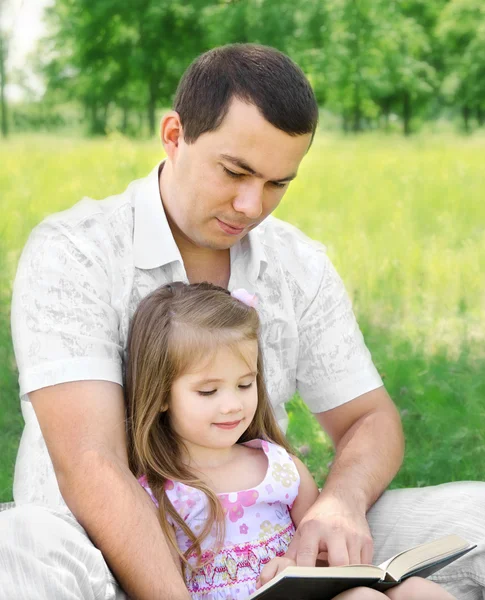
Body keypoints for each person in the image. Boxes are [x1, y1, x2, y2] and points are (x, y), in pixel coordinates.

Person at [0, 43, 483, 600]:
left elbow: (369, 419)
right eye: (235, 171)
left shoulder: (298, 263)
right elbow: (92, 463)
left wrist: (339, 504)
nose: (253, 206)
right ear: (175, 135)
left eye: (279, 183)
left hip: (268, 554)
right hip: (96, 559)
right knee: (15, 543)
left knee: (477, 516)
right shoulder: (76, 251)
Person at [127, 280, 456, 600]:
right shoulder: (161, 495)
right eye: (208, 391)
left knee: (417, 591)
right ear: (161, 395)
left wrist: (298, 567)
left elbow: (322, 558)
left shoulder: (281, 470)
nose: (232, 405)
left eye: (244, 384)